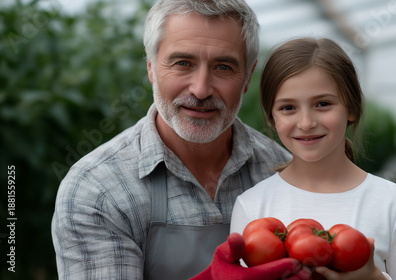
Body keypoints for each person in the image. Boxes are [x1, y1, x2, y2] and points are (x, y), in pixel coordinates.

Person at [51, 0, 311, 279]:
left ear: (247, 77)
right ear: (151, 68)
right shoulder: (99, 189)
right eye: (183, 63)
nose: (200, 90)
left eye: (223, 67)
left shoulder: (284, 171)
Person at [230, 37, 396, 279]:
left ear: (352, 109)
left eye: (323, 104)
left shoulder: (394, 204)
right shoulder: (252, 206)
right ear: (272, 118)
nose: (306, 123)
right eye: (288, 108)